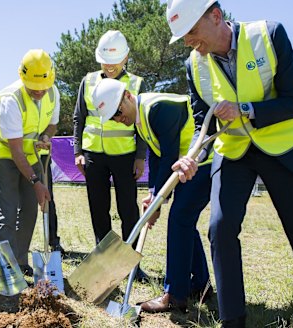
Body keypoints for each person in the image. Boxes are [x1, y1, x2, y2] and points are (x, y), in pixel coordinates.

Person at [166, 0, 293, 327]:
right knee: (220, 227)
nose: (189, 42)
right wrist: (193, 156)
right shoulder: (195, 65)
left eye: (191, 32)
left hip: (284, 146)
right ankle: (233, 321)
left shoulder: (270, 35)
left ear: (216, 16)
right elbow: (202, 121)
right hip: (234, 152)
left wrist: (245, 108)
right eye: (183, 37)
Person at [91, 78, 212, 313]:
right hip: (188, 164)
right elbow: (156, 157)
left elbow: (168, 155)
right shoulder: (141, 118)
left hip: (203, 161)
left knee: (179, 219)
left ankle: (175, 295)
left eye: (118, 111)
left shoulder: (158, 108)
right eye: (113, 118)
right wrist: (153, 194)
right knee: (183, 221)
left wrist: (158, 203)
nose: (118, 118)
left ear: (127, 95)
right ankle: (200, 285)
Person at [72, 30, 149, 282]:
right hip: (94, 156)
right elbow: (79, 118)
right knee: (98, 208)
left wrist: (140, 156)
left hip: (125, 156)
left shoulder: (136, 84)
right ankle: (104, 261)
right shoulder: (88, 81)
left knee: (128, 209)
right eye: (105, 60)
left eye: (115, 61)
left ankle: (131, 264)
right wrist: (78, 152)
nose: (110, 66)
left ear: (125, 58)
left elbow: (142, 123)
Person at [0, 49, 59, 277]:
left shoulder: (52, 92)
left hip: (32, 156)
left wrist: (46, 137)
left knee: (29, 209)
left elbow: (52, 125)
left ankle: (20, 261)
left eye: (43, 87)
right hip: (6, 155)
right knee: (8, 211)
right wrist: (36, 182)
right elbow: (16, 150)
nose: (39, 91)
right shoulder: (11, 99)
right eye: (33, 86)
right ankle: (6, 268)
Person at [38, 147, 65, 254]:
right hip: (18, 152)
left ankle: (53, 241)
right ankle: (17, 244)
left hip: (41, 155)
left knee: (47, 199)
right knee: (21, 201)